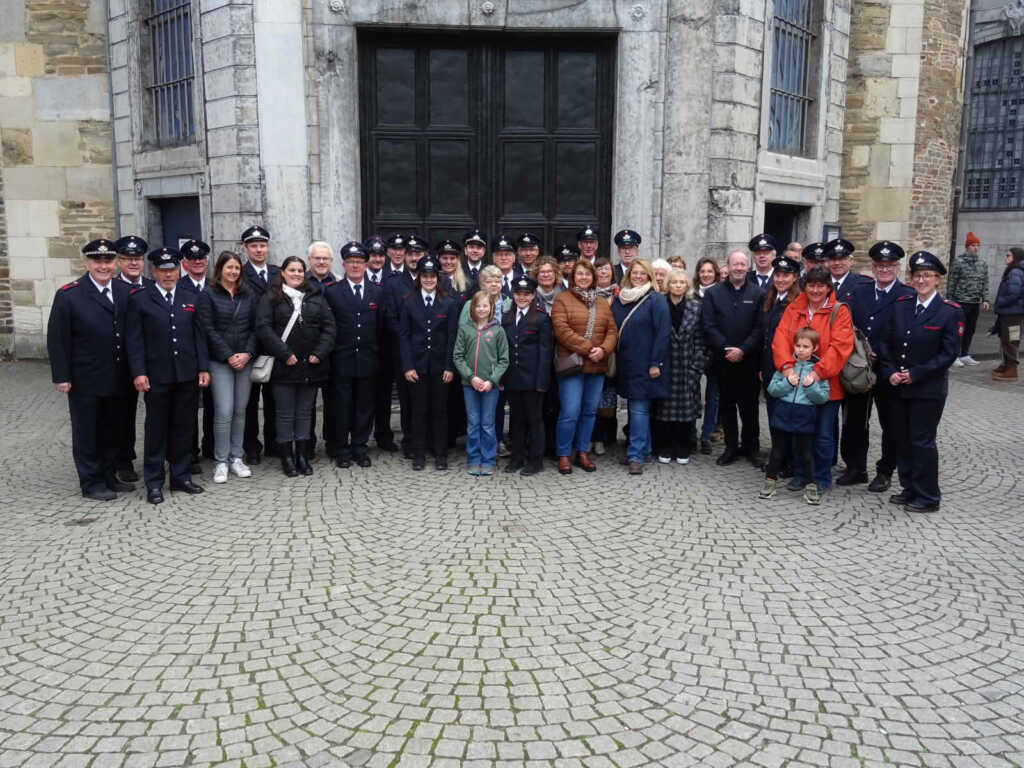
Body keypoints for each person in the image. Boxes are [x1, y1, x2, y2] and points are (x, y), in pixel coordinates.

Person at [47, 239, 135, 501]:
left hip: (119, 376)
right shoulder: (69, 294)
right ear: (87, 263)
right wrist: (61, 376)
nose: (103, 266)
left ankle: (109, 476)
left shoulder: (123, 291)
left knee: (112, 431)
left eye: (108, 261)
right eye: (97, 261)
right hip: (86, 378)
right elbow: (57, 338)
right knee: (87, 432)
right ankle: (91, 482)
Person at [878, 251, 963, 512]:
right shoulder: (902, 304)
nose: (922, 280)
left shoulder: (949, 312)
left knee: (922, 441)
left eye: (927, 275)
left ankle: (928, 496)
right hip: (898, 386)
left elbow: (948, 354)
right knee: (902, 439)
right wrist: (890, 370)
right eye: (917, 275)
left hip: (927, 389)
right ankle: (909, 487)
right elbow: (885, 342)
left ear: (937, 280)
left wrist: (915, 374)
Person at [126, 247, 210, 504]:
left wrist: (203, 367)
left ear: (179, 269)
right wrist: (139, 372)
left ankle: (181, 476)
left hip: (186, 374)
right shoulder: (140, 298)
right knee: (156, 429)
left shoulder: (190, 296)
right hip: (157, 376)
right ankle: (153, 482)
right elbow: (134, 340)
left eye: (172, 269)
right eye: (163, 271)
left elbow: (199, 336)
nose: (168, 275)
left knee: (184, 428)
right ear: (154, 272)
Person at [772, 265, 854, 496]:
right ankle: (801, 474)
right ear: (804, 286)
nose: (816, 290)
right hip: (796, 384)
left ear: (828, 287)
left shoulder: (839, 311)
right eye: (811, 285)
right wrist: (787, 368)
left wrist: (817, 373)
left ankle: (821, 477)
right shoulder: (794, 308)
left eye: (821, 286)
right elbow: (780, 340)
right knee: (799, 433)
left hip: (827, 385)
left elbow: (840, 347)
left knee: (824, 435)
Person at [255, 255, 336, 477]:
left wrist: (319, 354)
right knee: (284, 414)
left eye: (300, 271)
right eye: (292, 270)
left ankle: (302, 455)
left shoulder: (315, 296)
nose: (297, 274)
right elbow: (263, 328)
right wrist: (284, 354)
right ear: (282, 272)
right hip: (284, 366)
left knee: (304, 413)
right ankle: (287, 457)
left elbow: (329, 328)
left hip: (310, 365)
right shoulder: (271, 297)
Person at [842, 241, 914, 490]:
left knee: (890, 423)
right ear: (873, 267)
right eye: (880, 266)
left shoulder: (907, 295)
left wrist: (880, 355)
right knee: (855, 421)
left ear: (897, 267)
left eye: (889, 265)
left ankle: (885, 471)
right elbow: (848, 327)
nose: (884, 270)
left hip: (887, 369)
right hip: (860, 369)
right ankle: (856, 467)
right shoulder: (859, 292)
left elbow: (906, 335)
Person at [551, 259, 618, 474]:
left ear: (593, 278)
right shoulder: (562, 299)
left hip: (596, 366)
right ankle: (563, 454)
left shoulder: (601, 302)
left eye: (587, 275)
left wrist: (604, 350)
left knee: (589, 411)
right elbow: (561, 330)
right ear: (573, 277)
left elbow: (612, 331)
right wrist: (589, 348)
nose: (584, 278)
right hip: (572, 366)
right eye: (580, 274)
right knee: (570, 412)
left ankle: (582, 452)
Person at [198, 250, 257, 485]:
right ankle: (221, 461)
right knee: (224, 411)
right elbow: (207, 328)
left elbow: (256, 327)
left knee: (241, 411)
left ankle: (236, 457)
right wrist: (228, 355)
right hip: (220, 361)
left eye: (237, 268)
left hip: (245, 360)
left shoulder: (247, 294)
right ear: (220, 269)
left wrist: (247, 353)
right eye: (229, 267)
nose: (233, 272)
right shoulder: (208, 294)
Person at [324, 241, 382, 468]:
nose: (355, 265)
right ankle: (341, 448)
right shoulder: (332, 291)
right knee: (342, 406)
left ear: (366, 264)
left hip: (368, 359)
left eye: (359, 262)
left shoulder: (378, 292)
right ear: (344, 264)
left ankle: (360, 447)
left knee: (365, 406)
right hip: (342, 359)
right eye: (351, 262)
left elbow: (380, 328)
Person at [702, 251, 764, 466]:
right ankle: (730, 447)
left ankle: (751, 448)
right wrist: (726, 348)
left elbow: (759, 327)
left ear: (747, 267)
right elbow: (708, 325)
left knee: (750, 407)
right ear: (727, 267)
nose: (739, 268)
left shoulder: (758, 293)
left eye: (742, 264)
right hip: (723, 360)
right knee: (726, 405)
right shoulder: (714, 293)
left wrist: (743, 350)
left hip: (749, 359)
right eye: (735, 264)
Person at [610, 258, 669, 474]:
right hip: (626, 363)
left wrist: (656, 363)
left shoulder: (656, 300)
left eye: (642, 273)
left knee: (638, 410)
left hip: (646, 365)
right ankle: (644, 449)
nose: (637, 276)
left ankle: (635, 456)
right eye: (634, 273)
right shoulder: (620, 299)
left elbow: (663, 334)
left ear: (649, 276)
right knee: (637, 410)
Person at [761, 328, 831, 504]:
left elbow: (823, 397)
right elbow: (772, 390)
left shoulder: (818, 370)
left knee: (806, 454)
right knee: (777, 452)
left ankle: (810, 486)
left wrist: (811, 386)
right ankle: (770, 482)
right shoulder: (787, 366)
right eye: (798, 345)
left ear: (814, 348)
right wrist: (787, 383)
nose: (801, 349)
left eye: (806, 346)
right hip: (783, 413)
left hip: (804, 415)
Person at [400, 255, 458, 471]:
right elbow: (404, 336)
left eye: (432, 276)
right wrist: (407, 366)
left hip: (440, 367)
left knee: (440, 412)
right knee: (418, 411)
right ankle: (418, 454)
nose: (428, 280)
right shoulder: (408, 301)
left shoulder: (449, 303)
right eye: (424, 276)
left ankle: (440, 454)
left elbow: (452, 336)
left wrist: (449, 367)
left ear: (438, 278)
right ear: (419, 277)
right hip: (417, 367)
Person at [501, 275, 553, 476]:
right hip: (513, 378)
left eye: (526, 294)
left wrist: (542, 381)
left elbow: (545, 352)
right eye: (518, 294)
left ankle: (535, 460)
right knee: (516, 420)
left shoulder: (541, 318)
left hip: (532, 380)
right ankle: (516, 458)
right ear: (513, 295)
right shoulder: (507, 317)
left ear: (533, 296)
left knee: (534, 420)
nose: (521, 297)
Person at [454, 291, 509, 476]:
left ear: (491, 308)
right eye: (479, 306)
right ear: (473, 308)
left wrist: (492, 380)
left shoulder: (498, 330)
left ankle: (488, 459)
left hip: (490, 386)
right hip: (470, 384)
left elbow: (504, 360)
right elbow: (458, 356)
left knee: (487, 423)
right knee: (473, 423)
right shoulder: (465, 329)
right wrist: (471, 377)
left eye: (486, 306)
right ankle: (473, 458)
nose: (482, 309)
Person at [652, 268, 703, 465]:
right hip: (665, 364)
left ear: (687, 285)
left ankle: (683, 447)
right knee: (664, 411)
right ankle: (665, 447)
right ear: (668, 284)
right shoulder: (659, 304)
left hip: (686, 365)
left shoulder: (695, 307)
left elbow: (699, 339)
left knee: (685, 412)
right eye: (674, 282)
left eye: (682, 282)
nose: (678, 286)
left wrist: (696, 367)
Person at [112, 234, 151, 483]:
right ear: (118, 261)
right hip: (123, 362)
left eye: (137, 259)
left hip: (155, 361)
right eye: (127, 259)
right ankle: (123, 460)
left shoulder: (151, 285)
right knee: (122, 415)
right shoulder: (113, 287)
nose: (133, 263)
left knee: (158, 412)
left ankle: (159, 457)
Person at [759, 254, 802, 475]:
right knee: (775, 415)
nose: (781, 279)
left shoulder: (797, 302)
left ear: (795, 277)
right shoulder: (771, 298)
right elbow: (765, 335)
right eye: (777, 275)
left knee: (787, 416)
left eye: (786, 275)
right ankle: (779, 458)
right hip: (769, 367)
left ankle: (789, 462)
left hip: (787, 368)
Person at [384, 235, 426, 457]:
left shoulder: (432, 278)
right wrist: (405, 340)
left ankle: (427, 439)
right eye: (410, 254)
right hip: (404, 351)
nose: (413, 258)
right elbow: (389, 316)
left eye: (418, 254)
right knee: (407, 398)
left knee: (427, 398)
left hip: (428, 351)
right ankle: (409, 440)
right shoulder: (393, 283)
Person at [240, 225, 279, 464]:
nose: (259, 250)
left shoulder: (277, 272)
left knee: (275, 397)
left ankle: (274, 443)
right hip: (250, 345)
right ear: (245, 248)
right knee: (250, 401)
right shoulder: (239, 273)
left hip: (275, 345)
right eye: (253, 245)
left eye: (262, 245)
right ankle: (251, 447)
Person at [178, 239, 214, 473]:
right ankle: (189, 453)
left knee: (215, 406)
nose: (197, 262)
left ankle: (211, 446)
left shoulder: (216, 285)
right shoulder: (177, 287)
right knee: (188, 409)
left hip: (216, 356)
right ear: (184, 263)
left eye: (201, 258)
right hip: (188, 358)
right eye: (192, 259)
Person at [532, 256, 563, 458]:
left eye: (549, 272)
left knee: (556, 404)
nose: (545, 275)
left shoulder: (565, 295)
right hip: (535, 357)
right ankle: (535, 446)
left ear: (556, 275)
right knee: (536, 405)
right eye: (542, 272)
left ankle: (554, 447)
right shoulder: (528, 294)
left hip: (560, 357)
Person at [946, 233, 989, 367]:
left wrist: (985, 299)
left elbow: (985, 282)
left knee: (970, 329)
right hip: (961, 301)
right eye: (972, 245)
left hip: (975, 302)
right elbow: (952, 281)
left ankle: (965, 354)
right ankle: (954, 355)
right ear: (967, 247)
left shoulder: (982, 264)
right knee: (958, 329)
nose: (975, 248)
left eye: (977, 246)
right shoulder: (959, 262)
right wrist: (949, 299)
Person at [592, 256, 619, 455]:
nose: (603, 272)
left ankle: (602, 438)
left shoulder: (621, 295)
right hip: (590, 353)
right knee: (590, 400)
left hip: (612, 354)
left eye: (606, 269)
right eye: (599, 269)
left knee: (606, 401)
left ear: (612, 272)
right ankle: (590, 438)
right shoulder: (587, 294)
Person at [991, 247, 1024, 381]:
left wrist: (1000, 302)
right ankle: (1006, 365)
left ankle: (1011, 370)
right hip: (1011, 313)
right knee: (1007, 339)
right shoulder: (1014, 271)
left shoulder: (1015, 272)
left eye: (1008, 255)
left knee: (1010, 340)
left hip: (1013, 314)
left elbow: (1014, 293)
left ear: (1015, 257)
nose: (1006, 257)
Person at [825, 238, 870, 303]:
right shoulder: (820, 282)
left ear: (851, 261)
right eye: (833, 259)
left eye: (842, 259)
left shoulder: (863, 284)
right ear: (827, 262)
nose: (837, 263)